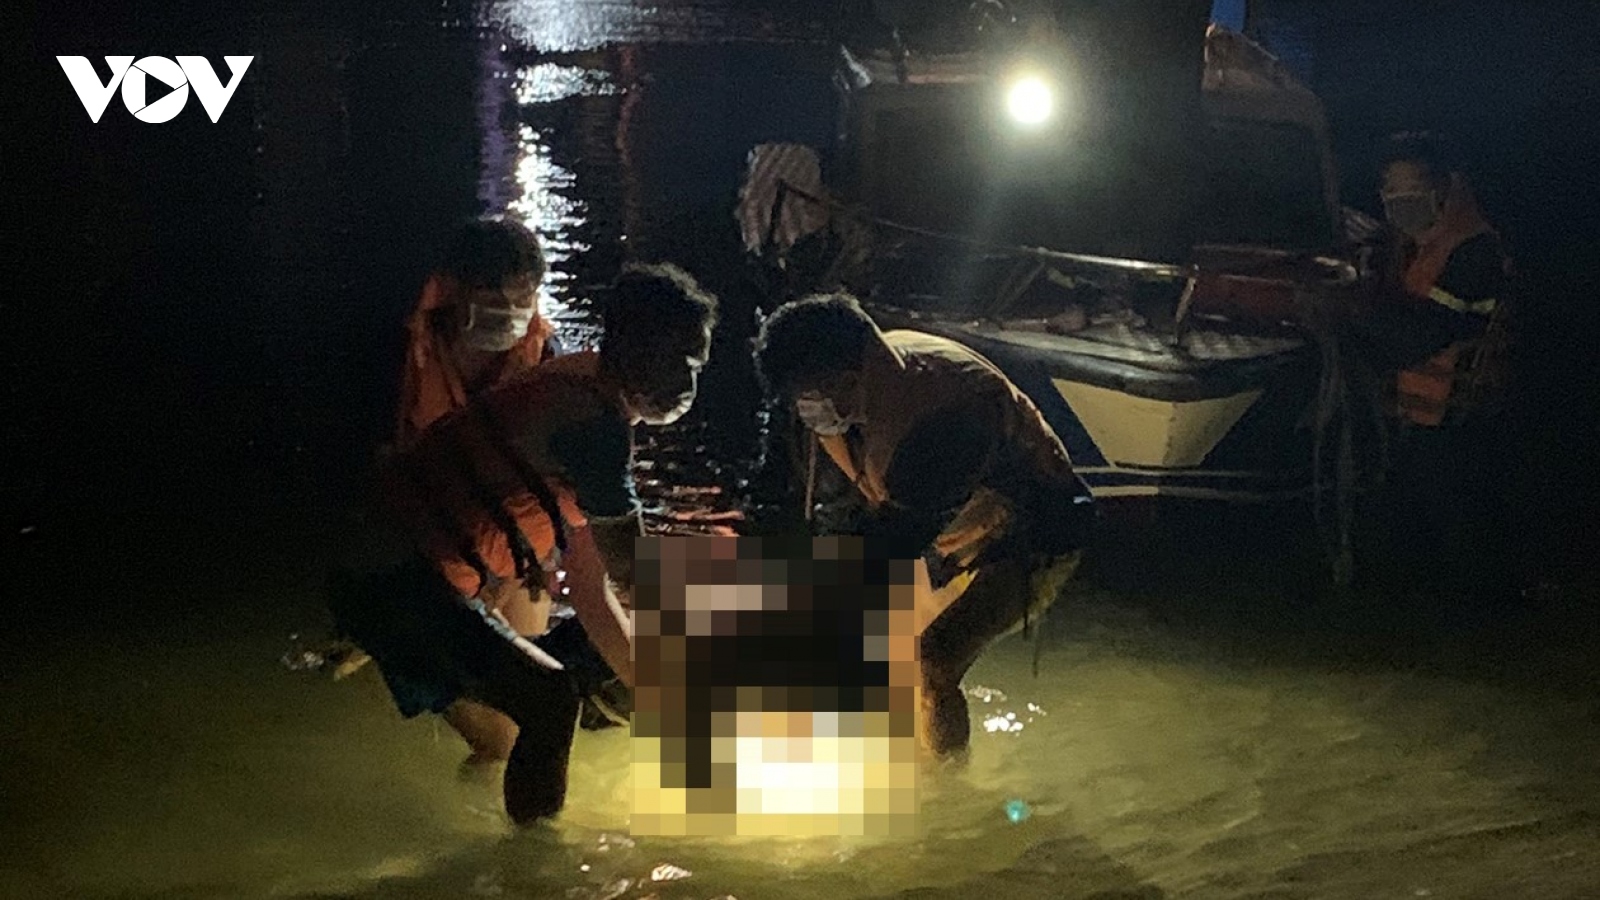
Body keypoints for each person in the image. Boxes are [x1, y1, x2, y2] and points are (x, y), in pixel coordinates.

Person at [329, 261, 720, 823]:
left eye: (696, 363)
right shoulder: (594, 428)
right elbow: (635, 572)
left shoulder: (577, 387)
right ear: (628, 346)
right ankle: (534, 861)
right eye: (676, 359)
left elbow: (593, 590)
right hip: (395, 580)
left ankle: (492, 819)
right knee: (552, 698)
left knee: (504, 742)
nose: (686, 380)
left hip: (387, 570)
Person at [749, 293, 1094, 758]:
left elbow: (891, 548)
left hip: (1030, 534)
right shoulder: (859, 382)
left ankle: (948, 785)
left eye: (807, 397)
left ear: (847, 376)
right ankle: (898, 746)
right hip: (945, 529)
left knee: (934, 659)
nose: (803, 411)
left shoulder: (947, 417)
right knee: (884, 652)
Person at [389, 216, 564, 768]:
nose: (509, 312)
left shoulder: (545, 356)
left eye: (522, 298)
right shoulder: (402, 358)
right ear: (454, 291)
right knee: (496, 740)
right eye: (493, 298)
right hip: (426, 557)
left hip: (514, 553)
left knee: (522, 715)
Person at [1371, 133, 1519, 601]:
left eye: (1410, 188)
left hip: (1457, 422)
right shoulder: (1412, 249)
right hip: (1417, 416)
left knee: (1461, 526)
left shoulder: (1473, 252)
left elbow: (1422, 335)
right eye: (1390, 190)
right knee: (1414, 526)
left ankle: (1485, 606)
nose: (1399, 200)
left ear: (1442, 188)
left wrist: (1353, 313)